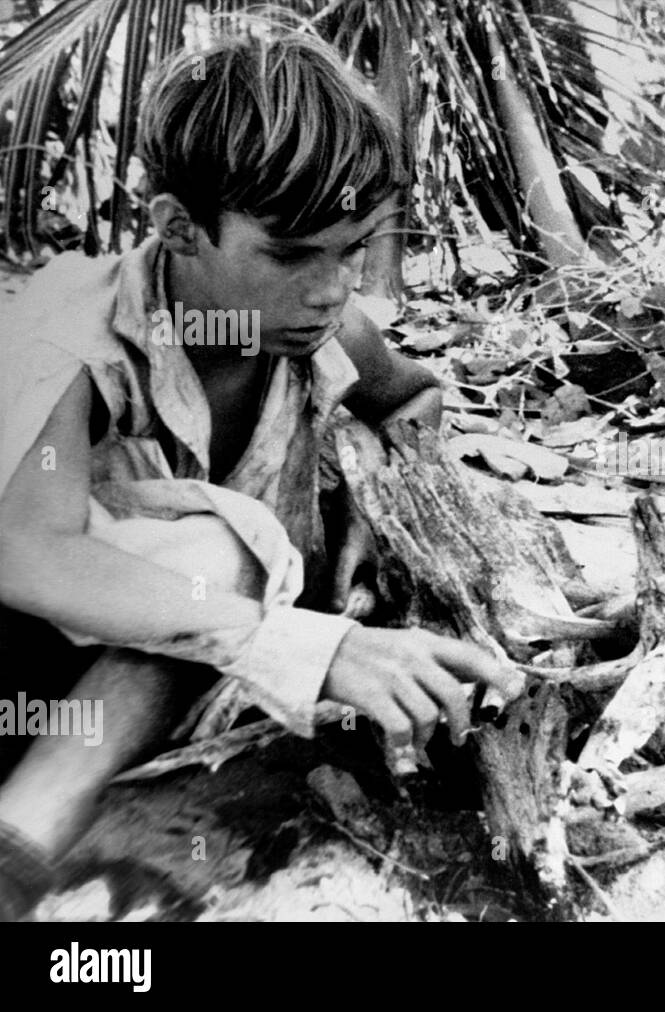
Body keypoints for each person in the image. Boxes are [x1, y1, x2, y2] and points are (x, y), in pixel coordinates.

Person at [0, 29, 522, 921]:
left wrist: (373, 493)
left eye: (353, 249)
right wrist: (304, 646)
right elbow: (24, 553)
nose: (329, 289)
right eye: (290, 255)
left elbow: (414, 405)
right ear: (175, 228)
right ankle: (22, 842)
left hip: (195, 685)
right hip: (39, 673)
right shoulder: (72, 340)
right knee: (216, 547)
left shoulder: (332, 333)